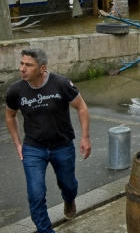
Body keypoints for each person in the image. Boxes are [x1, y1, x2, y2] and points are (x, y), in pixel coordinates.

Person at [5, 48, 91, 233]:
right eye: (21, 63)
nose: (22, 68)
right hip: (33, 149)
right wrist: (18, 143)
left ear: (42, 68)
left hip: (62, 145)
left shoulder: (61, 83)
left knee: (68, 185)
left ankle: (69, 199)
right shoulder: (15, 90)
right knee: (35, 195)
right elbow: (10, 116)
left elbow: (81, 107)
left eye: (28, 65)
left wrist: (85, 137)